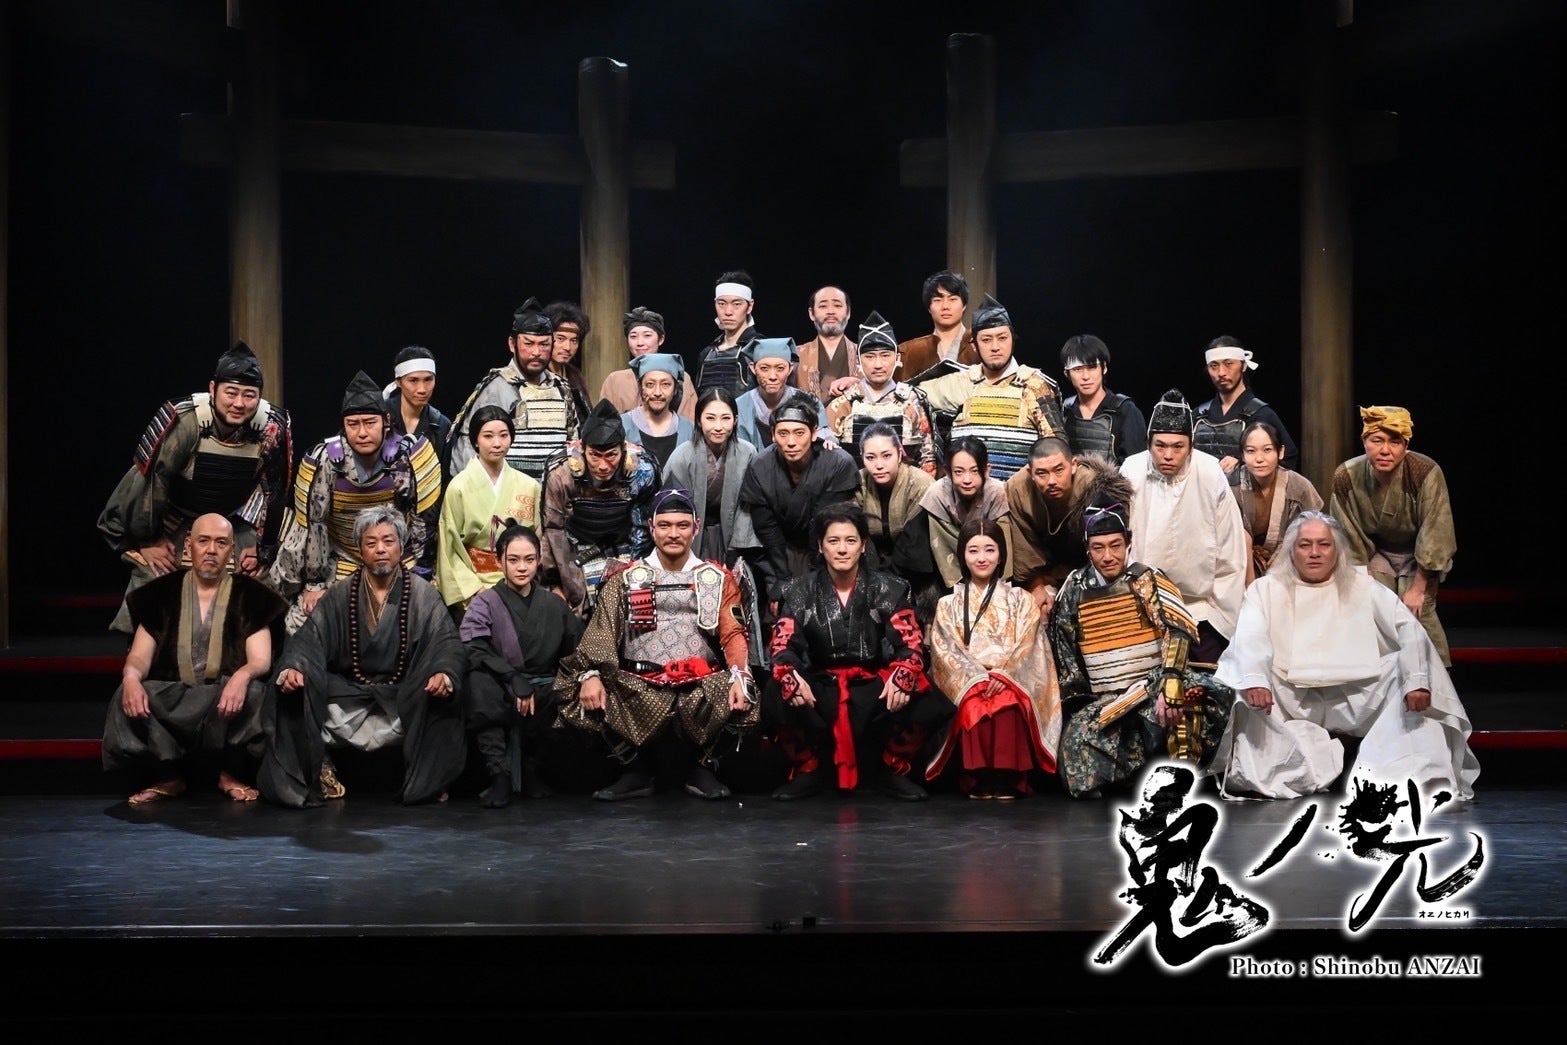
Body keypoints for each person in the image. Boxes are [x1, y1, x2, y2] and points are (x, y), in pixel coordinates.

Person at [1209, 512, 1478, 801]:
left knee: (1415, 672)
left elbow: (1407, 628)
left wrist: (1417, 681)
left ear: (1336, 550)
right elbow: (1250, 635)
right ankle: (1281, 771)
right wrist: (1255, 679)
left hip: (1356, 694)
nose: (1314, 553)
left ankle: (1411, 774)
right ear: (1291, 550)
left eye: (1323, 544)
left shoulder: (1363, 585)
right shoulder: (1265, 589)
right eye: (1305, 545)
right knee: (1243, 679)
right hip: (1291, 696)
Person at [554, 488, 762, 801]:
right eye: (664, 525)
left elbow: (733, 633)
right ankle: (634, 769)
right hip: (636, 686)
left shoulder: (717, 578)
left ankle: (703, 767)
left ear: (696, 527)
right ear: (651, 528)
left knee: (746, 690)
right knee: (579, 685)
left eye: (682, 525)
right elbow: (601, 633)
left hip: (699, 685)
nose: (673, 533)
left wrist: (739, 674)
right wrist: (592, 674)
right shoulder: (625, 578)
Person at [259, 506, 469, 807]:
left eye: (388, 541)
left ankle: (427, 781)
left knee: (441, 693)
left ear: (401, 547)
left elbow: (445, 642)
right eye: (371, 542)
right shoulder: (341, 593)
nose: (380, 549)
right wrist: (295, 667)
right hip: (349, 690)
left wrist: (443, 672)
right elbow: (309, 639)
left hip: (403, 691)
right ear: (360, 550)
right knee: (296, 688)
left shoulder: (423, 595)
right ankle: (317, 770)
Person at [99, 341, 293, 635]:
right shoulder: (186, 420)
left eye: (249, 395)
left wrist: (263, 549)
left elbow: (276, 490)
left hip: (235, 519)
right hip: (175, 518)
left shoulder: (272, 425)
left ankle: (260, 653)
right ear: (213, 389)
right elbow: (153, 482)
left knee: (263, 581)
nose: (239, 403)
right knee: (155, 575)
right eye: (231, 393)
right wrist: (148, 539)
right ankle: (145, 651)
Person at [765, 502, 951, 801]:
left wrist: (903, 673)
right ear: (821, 547)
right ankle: (807, 767)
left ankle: (892, 766)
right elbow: (782, 644)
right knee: (776, 687)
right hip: (821, 685)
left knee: (921, 687)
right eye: (833, 541)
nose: (842, 549)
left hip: (871, 686)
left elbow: (911, 643)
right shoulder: (798, 591)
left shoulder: (889, 588)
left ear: (863, 546)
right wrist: (789, 674)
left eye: (850, 541)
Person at [1049, 502, 1232, 799]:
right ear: (1088, 549)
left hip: (1153, 685)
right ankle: (1131, 780)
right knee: (1075, 751)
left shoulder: (1147, 578)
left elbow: (1177, 629)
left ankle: (1180, 780)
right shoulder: (1074, 588)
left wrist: (1170, 677)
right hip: (1106, 698)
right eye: (1098, 548)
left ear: (1128, 543)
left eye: (1115, 545)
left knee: (1181, 702)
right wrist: (1079, 702)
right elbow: (1065, 652)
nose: (1108, 556)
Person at [102, 513, 287, 805]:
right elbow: (138, 656)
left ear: (232, 550)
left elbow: (260, 660)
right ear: (188, 545)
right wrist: (131, 678)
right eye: (204, 541)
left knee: (255, 693)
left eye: (221, 543)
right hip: (175, 699)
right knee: (126, 692)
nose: (211, 550)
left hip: (223, 699)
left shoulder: (251, 594)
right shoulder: (160, 593)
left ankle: (230, 773)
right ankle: (168, 776)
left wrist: (241, 676)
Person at [268, 370, 442, 634]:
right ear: (343, 426)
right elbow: (313, 525)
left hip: (395, 557)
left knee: (422, 621)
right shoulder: (325, 459)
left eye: (370, 423)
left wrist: (421, 571)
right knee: (303, 624)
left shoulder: (408, 456)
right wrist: (315, 583)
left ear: (386, 421)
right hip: (340, 556)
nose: (362, 432)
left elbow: (423, 521)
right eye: (353, 424)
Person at [926, 517, 1062, 799]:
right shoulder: (948, 604)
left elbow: (1029, 644)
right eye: (973, 550)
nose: (982, 558)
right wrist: (975, 678)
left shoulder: (1021, 599)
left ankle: (1009, 777)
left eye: (990, 549)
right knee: (973, 703)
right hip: (968, 679)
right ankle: (977, 778)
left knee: (1008, 702)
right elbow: (945, 649)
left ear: (1001, 554)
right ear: (962, 555)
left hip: (1010, 678)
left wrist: (1005, 673)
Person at [1120, 390, 1249, 663]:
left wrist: (1218, 619)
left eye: (1178, 447)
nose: (1168, 455)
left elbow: (1231, 551)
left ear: (1191, 446)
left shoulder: (1209, 472)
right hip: (1140, 605)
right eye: (1160, 446)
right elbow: (1119, 543)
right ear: (1148, 443)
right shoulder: (1132, 471)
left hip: (1201, 609)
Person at [459, 524, 582, 807]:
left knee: (565, 689)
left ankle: (531, 767)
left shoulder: (554, 605)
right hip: (500, 682)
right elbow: (473, 646)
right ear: (499, 560)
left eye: (529, 559)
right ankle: (499, 774)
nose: (522, 567)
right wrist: (511, 676)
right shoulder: (485, 602)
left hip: (541, 684)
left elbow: (575, 647)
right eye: (513, 560)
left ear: (539, 560)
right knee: (477, 683)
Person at [1328, 405, 1457, 665]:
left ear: (1406, 445)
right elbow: (1347, 532)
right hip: (1375, 554)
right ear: (1364, 441)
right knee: (1377, 612)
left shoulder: (1424, 471)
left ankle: (1436, 677)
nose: (1385, 450)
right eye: (1377, 440)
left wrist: (1419, 586)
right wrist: (1363, 577)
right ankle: (1381, 677)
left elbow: (1436, 530)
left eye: (1395, 442)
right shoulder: (1347, 475)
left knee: (1419, 612)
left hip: (1417, 556)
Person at [916, 293, 1068, 482]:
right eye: (986, 340)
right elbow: (909, 397)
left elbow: (1056, 450)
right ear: (974, 345)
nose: (995, 347)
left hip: (1018, 496)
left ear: (1013, 339)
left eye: (1002, 338)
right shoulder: (961, 382)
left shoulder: (1034, 385)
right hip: (965, 494)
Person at [738, 391, 860, 607]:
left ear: (814, 433)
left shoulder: (837, 463)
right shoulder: (761, 466)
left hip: (826, 548)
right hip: (779, 551)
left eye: (799, 433)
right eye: (783, 433)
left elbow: (824, 523)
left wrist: (813, 580)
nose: (791, 442)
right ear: (773, 435)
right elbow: (766, 527)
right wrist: (782, 579)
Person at [540, 398, 660, 617]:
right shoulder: (561, 473)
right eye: (595, 456)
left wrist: (636, 570)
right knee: (575, 609)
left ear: (623, 449)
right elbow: (552, 529)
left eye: (611, 455)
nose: (603, 466)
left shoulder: (643, 471)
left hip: (626, 546)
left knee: (636, 610)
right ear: (582, 449)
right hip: (574, 548)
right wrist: (561, 584)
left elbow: (645, 527)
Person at [447, 297, 580, 482]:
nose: (536, 352)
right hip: (507, 493)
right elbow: (468, 447)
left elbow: (573, 445)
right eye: (529, 343)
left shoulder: (562, 389)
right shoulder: (497, 388)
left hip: (554, 493)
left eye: (544, 344)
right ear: (512, 344)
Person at [434, 404, 543, 617]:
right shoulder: (459, 487)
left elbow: (537, 540)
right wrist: (475, 591)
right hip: (475, 584)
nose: (497, 443)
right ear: (475, 440)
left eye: (504, 435)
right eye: (488, 436)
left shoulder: (529, 486)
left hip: (520, 581)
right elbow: (449, 548)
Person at [1006, 436, 1134, 614]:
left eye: (1059, 470)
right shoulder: (1017, 488)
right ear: (1030, 473)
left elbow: (1106, 548)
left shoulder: (1095, 488)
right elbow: (1023, 546)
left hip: (1091, 569)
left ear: (1073, 465)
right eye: (1042, 473)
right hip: (1045, 570)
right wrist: (1036, 586)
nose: (1052, 481)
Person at [824, 310, 938, 475]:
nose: (878, 364)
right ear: (858, 360)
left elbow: (928, 457)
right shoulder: (843, 404)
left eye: (885, 355)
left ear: (897, 358)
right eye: (870, 357)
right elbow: (827, 459)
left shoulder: (912, 402)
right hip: (853, 485)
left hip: (905, 485)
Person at [853, 423, 943, 630]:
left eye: (886, 456)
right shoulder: (858, 482)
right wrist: (875, 578)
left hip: (914, 563)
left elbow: (916, 540)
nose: (879, 465)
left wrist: (888, 581)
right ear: (862, 457)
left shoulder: (920, 483)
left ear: (899, 454)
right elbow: (856, 532)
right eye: (870, 457)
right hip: (872, 562)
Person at [1193, 335, 1299, 484]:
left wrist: (1245, 463)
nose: (1221, 372)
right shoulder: (1199, 415)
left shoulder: (1262, 414)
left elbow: (1288, 457)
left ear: (1243, 366)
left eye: (1228, 364)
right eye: (1214, 366)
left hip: (1247, 494)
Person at [1233, 419, 1323, 579]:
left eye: (1267, 450)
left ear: (1280, 452)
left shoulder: (1298, 486)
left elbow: (1314, 527)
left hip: (1290, 560)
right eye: (1251, 451)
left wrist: (1284, 553)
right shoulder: (1230, 485)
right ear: (1243, 455)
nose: (1259, 458)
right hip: (1238, 561)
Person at [921, 436, 1013, 589]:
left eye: (975, 471)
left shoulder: (997, 492)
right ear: (948, 472)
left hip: (989, 556)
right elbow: (942, 545)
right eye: (959, 472)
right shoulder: (937, 494)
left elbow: (1003, 541)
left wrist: (1001, 583)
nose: (967, 480)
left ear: (986, 470)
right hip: (953, 565)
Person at [598, 306, 698, 421]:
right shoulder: (615, 380)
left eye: (647, 335)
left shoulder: (680, 377)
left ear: (661, 339)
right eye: (633, 336)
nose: (640, 342)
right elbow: (603, 423)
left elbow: (690, 423)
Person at [1058, 334, 1145, 465]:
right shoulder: (1063, 411)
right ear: (1067, 373)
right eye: (1077, 369)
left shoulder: (1125, 411)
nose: (1085, 376)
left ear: (1104, 368)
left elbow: (1136, 467)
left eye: (1092, 367)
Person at [735, 337, 833, 449]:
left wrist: (829, 441)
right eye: (764, 368)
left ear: (790, 369)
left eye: (780, 368)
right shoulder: (740, 406)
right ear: (753, 368)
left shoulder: (809, 402)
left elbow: (824, 439)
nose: (772, 376)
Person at [382, 344, 454, 480]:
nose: (422, 389)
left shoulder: (441, 425)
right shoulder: (378, 417)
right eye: (413, 380)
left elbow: (445, 477)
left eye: (428, 380)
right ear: (398, 382)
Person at [895, 269, 979, 382]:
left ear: (964, 305)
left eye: (952, 299)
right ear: (929, 307)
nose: (945, 306)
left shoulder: (980, 343)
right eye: (938, 300)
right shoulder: (909, 351)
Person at [620, 352, 694, 472]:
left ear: (675, 388)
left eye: (666, 384)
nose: (657, 392)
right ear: (641, 387)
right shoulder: (622, 425)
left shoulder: (688, 429)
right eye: (650, 384)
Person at [694, 269, 762, 396]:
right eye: (722, 304)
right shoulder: (706, 354)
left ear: (750, 306)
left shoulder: (760, 348)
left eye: (736, 304)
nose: (728, 312)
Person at [793, 284, 860, 402]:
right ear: (811, 313)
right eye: (823, 306)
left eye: (837, 305)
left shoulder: (863, 354)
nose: (831, 311)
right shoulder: (795, 355)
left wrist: (859, 384)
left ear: (848, 312)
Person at [543, 300, 594, 420]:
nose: (568, 347)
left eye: (574, 341)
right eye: (561, 339)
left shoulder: (574, 375)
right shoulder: (536, 376)